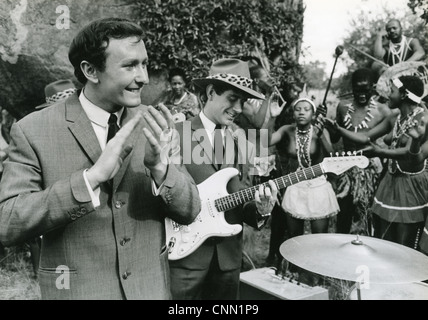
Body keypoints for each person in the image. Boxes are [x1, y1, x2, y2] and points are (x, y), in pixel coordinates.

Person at [0, 17, 200, 300]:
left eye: (144, 63)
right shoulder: (32, 130)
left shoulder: (157, 123)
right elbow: (7, 222)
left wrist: (160, 169)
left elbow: (191, 209)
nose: (143, 76)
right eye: (130, 65)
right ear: (90, 70)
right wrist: (89, 179)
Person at [169, 58, 278, 300]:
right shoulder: (176, 135)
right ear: (210, 92)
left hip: (228, 261)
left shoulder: (240, 142)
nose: (239, 109)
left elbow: (242, 196)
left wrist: (261, 209)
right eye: (232, 98)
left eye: (243, 101)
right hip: (185, 258)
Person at [327, 75, 428, 249]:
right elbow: (365, 136)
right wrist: (339, 129)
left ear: (404, 95)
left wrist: (380, 151)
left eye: (392, 91)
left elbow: (409, 154)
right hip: (389, 183)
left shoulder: (423, 119)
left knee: (404, 248)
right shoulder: (395, 117)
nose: (388, 95)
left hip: (411, 188)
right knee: (382, 243)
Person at [330, 68, 393, 236]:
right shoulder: (343, 107)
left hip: (371, 172)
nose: (362, 94)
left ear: (373, 88)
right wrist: (326, 126)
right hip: (346, 170)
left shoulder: (382, 110)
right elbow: (335, 138)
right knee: (343, 215)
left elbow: (389, 141)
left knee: (367, 216)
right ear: (352, 88)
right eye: (358, 90)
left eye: (366, 90)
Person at [267, 98, 339, 238]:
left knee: (318, 237)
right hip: (295, 186)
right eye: (298, 109)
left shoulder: (320, 130)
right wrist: (272, 117)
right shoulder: (287, 129)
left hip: (318, 187)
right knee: (294, 237)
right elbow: (265, 141)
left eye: (306, 110)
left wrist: (320, 136)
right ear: (293, 114)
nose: (301, 113)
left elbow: (331, 157)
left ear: (313, 115)